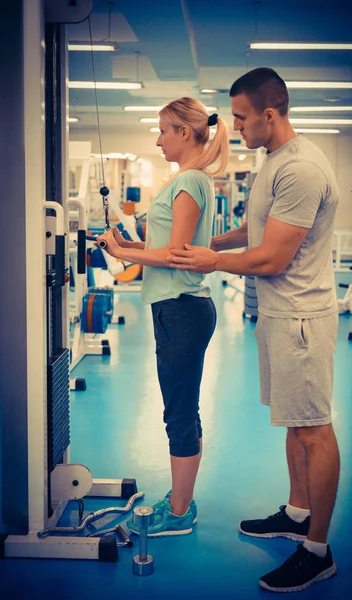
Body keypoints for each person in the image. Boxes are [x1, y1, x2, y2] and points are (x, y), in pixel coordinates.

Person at [167, 68, 340, 593]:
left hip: (302, 317)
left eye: (241, 118)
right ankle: (297, 512)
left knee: (315, 429)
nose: (234, 126)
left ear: (270, 114)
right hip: (279, 314)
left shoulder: (303, 168)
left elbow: (273, 255)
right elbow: (257, 230)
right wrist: (213, 243)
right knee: (294, 423)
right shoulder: (272, 162)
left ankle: (318, 549)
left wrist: (212, 264)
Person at [97, 98, 229, 536]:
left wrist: (125, 251)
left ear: (185, 132)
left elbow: (176, 255)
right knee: (184, 409)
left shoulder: (190, 181)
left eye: (163, 130)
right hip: (177, 307)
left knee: (179, 413)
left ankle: (178, 514)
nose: (158, 139)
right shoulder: (187, 181)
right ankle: (181, 501)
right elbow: (169, 243)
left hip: (181, 308)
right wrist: (129, 244)